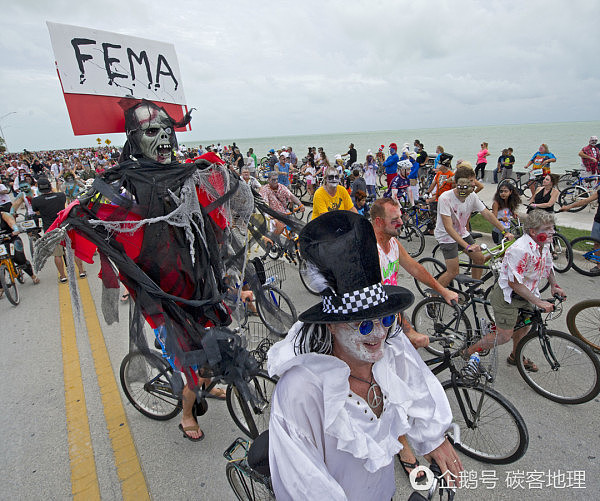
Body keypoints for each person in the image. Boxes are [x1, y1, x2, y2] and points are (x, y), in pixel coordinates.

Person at [268, 211, 463, 501]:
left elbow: (418, 381)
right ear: (331, 325)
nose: (378, 334)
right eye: (362, 323)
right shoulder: (302, 391)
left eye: (385, 320)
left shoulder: (389, 351)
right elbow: (304, 484)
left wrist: (433, 437)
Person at [371, 197, 459, 480]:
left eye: (401, 217)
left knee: (407, 381)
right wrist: (408, 329)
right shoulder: (368, 252)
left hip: (392, 320)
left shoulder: (393, 244)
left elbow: (416, 269)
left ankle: (416, 435)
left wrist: (442, 291)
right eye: (395, 220)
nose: (401, 223)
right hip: (374, 328)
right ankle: (403, 445)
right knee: (389, 389)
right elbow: (377, 298)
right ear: (378, 222)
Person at [464, 210, 566, 371]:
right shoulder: (520, 250)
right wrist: (538, 301)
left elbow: (547, 265)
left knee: (525, 326)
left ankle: (515, 356)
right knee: (504, 335)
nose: (552, 232)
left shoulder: (543, 244)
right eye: (547, 228)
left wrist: (554, 286)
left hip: (527, 294)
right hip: (509, 296)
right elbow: (514, 284)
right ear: (533, 231)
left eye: (552, 227)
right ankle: (467, 353)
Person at [435, 165, 514, 287]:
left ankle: (474, 288)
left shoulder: (471, 196)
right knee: (453, 272)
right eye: (471, 181)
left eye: (474, 180)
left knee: (479, 259)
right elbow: (448, 227)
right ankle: (433, 296)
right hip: (447, 237)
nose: (474, 184)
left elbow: (487, 214)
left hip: (462, 233)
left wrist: (504, 231)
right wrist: (467, 247)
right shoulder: (445, 198)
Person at [31, 177, 86, 282]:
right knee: (74, 250)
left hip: (51, 229)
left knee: (57, 254)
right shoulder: (61, 196)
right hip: (66, 226)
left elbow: (37, 213)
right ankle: (81, 271)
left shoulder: (36, 201)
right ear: (50, 186)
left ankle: (62, 276)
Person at [559, 187, 600, 275]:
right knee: (596, 244)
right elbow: (585, 201)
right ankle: (598, 266)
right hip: (598, 222)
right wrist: (569, 207)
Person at [0, 210, 40, 287]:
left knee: (20, 259)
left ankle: (32, 276)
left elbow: (12, 223)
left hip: (11, 239)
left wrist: (15, 230)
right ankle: (1, 288)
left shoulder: (4, 215)